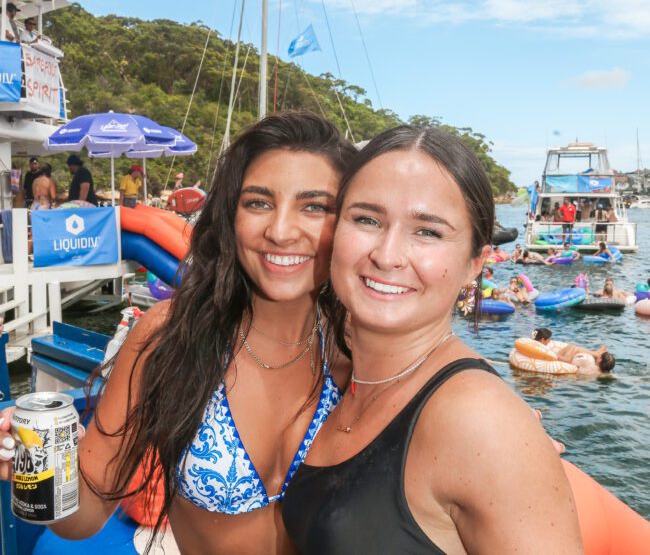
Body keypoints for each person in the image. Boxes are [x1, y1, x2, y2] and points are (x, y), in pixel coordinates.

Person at [0, 112, 356, 553]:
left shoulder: (361, 352)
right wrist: (38, 469)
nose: (281, 231)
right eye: (258, 202)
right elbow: (86, 515)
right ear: (230, 215)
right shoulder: (170, 337)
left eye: (315, 206)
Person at [282, 126, 582, 554]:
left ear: (474, 263)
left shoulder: (479, 421)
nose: (387, 254)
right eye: (367, 219)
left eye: (428, 232)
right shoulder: (341, 375)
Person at [532, 328, 615, 375]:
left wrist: (550, 353)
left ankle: (596, 353)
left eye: (599, 357)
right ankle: (596, 353)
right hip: (575, 372)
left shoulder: (590, 365)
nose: (550, 341)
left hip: (568, 370)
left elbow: (572, 364)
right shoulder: (602, 373)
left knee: (575, 349)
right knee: (573, 347)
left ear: (600, 360)